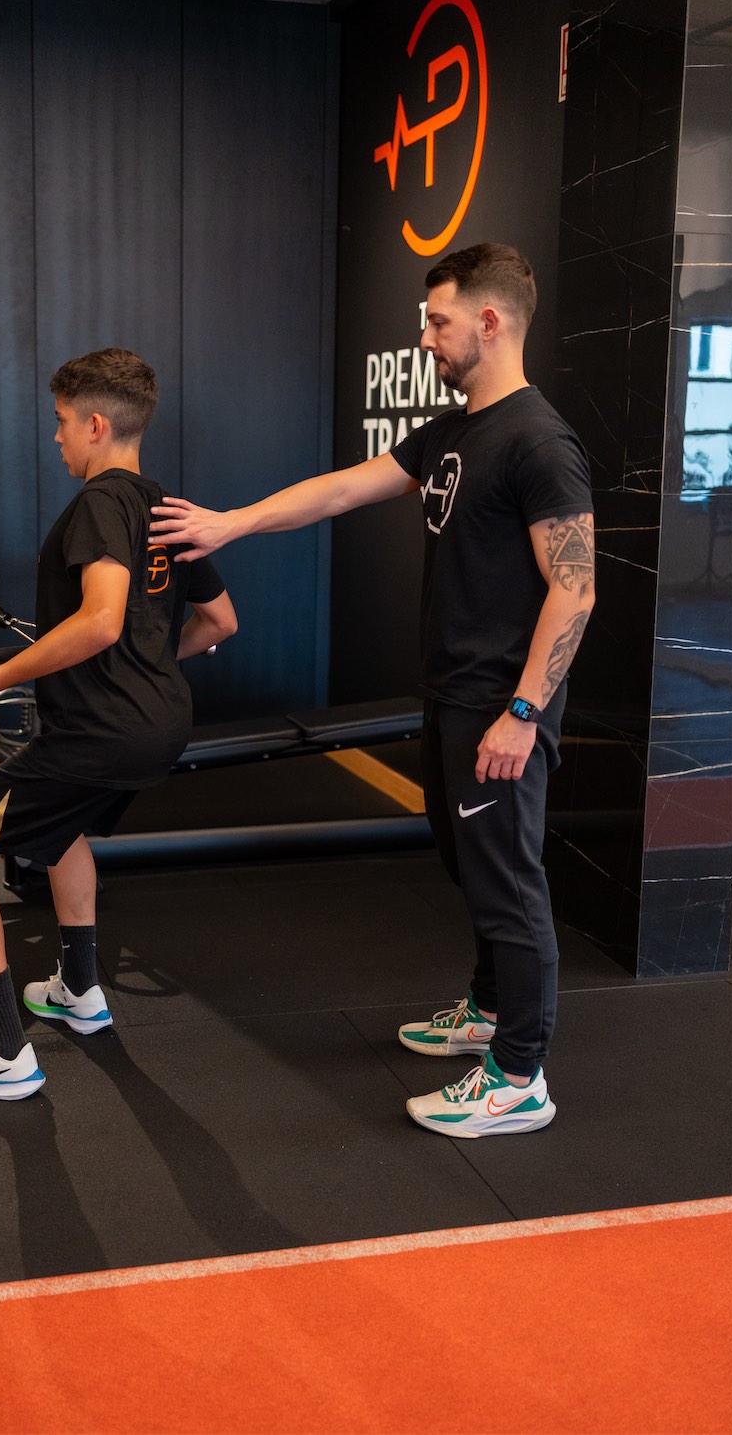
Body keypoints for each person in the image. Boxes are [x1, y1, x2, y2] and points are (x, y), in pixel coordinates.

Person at [150, 243, 595, 1138]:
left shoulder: (539, 441)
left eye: (437, 321)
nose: (425, 338)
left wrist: (522, 712)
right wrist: (232, 524)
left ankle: (519, 1076)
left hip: (499, 706)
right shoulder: (456, 430)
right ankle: (487, 1010)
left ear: (490, 321)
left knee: (509, 882)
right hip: (453, 695)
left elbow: (576, 588)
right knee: (470, 866)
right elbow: (343, 491)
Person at [0, 348, 237, 1101]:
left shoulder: (98, 504)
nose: (55, 436)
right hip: (161, 724)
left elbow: (100, 621)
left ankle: (1, 1051)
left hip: (100, 731)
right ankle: (79, 991)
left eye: (61, 422)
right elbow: (220, 621)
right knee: (63, 834)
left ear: (95, 425)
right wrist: (149, 664)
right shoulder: (166, 506)